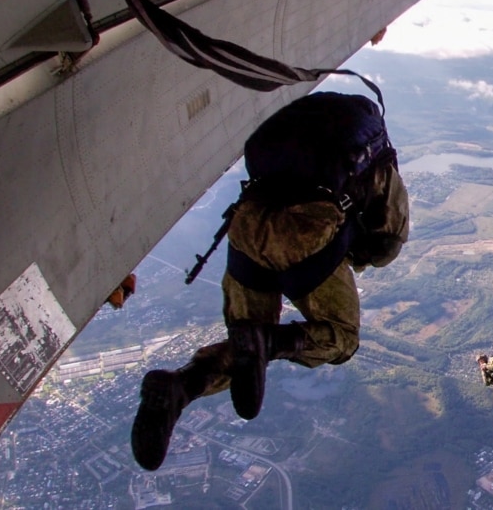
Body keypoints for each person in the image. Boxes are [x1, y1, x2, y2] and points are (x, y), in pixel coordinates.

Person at [131, 92, 409, 471]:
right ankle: (272, 342)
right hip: (304, 235)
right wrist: (354, 254)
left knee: (246, 343)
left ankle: (182, 386)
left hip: (246, 230)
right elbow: (389, 239)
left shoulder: (307, 141)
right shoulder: (378, 158)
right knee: (341, 338)